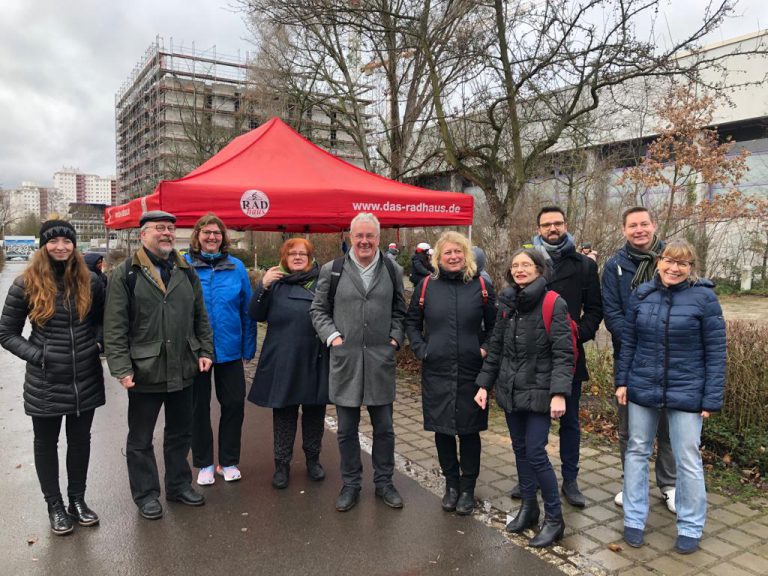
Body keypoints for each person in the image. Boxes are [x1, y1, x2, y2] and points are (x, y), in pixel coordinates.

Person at [617, 240, 726, 555]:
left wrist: (711, 398)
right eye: (669, 261)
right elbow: (630, 342)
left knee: (688, 459)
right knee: (636, 452)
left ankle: (691, 526)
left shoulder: (705, 298)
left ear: (691, 267)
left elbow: (716, 353)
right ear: (659, 261)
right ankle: (634, 519)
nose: (674, 268)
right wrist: (622, 380)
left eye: (683, 263)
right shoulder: (642, 294)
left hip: (687, 391)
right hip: (642, 387)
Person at [104, 210, 214, 521]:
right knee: (141, 438)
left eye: (170, 228)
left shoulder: (185, 270)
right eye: (159, 228)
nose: (166, 233)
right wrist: (121, 367)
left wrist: (205, 349)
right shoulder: (125, 273)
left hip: (183, 366)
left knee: (181, 432)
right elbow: (114, 326)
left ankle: (178, 485)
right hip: (145, 370)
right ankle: (146, 494)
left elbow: (200, 317)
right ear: (143, 235)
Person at [0, 220, 105, 535]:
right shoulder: (26, 283)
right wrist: (38, 356)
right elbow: (7, 332)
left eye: (66, 240)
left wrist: (97, 344)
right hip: (45, 380)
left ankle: (77, 501)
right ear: (44, 245)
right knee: (46, 443)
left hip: (85, 376)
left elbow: (102, 322)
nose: (61, 246)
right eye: (54, 240)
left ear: (74, 245)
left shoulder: (92, 282)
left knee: (80, 441)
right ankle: (55, 506)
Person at [474, 248, 573, 547]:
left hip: (541, 391)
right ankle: (529, 508)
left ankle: (554, 519)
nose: (519, 269)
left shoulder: (553, 303)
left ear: (540, 270)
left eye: (526, 265)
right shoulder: (507, 303)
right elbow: (497, 348)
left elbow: (563, 352)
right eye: (515, 265)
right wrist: (483, 385)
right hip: (511, 389)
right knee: (520, 450)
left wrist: (559, 394)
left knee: (535, 453)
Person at [311, 212, 407, 512]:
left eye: (370, 236)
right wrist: (333, 338)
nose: (365, 241)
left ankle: (384, 483)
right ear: (351, 237)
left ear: (378, 238)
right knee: (346, 430)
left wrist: (394, 339)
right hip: (346, 360)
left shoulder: (392, 269)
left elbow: (400, 311)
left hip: (380, 360)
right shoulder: (333, 270)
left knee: (385, 428)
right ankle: (351, 484)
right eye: (359, 236)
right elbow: (318, 310)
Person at [511, 206, 601, 508]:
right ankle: (530, 476)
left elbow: (595, 309)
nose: (553, 228)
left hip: (568, 356)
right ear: (538, 228)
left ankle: (571, 479)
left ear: (566, 225)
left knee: (570, 422)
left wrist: (579, 333)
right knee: (530, 423)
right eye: (546, 224)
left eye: (558, 223)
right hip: (531, 359)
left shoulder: (584, 265)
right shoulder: (528, 262)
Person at [405, 232, 496, 516]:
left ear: (466, 255)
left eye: (459, 252)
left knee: (469, 431)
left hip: (472, 370)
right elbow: (411, 322)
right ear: (438, 258)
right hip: (437, 369)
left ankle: (467, 489)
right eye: (448, 253)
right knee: (443, 429)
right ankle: (452, 486)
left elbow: (496, 327)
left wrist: (483, 349)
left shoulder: (481, 285)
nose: (454, 257)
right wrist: (421, 349)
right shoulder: (425, 286)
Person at [602, 207, 676, 511]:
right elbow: (612, 313)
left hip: (671, 358)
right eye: (632, 225)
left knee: (668, 426)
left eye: (644, 224)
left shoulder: (672, 260)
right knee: (629, 428)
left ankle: (670, 485)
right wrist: (638, 343)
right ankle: (632, 483)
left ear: (653, 225)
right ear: (624, 230)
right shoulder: (614, 266)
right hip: (630, 358)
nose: (639, 230)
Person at [249, 238, 329, 489]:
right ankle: (282, 464)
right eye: (292, 253)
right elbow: (255, 314)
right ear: (284, 257)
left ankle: (313, 460)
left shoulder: (323, 281)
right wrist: (262, 286)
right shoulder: (274, 282)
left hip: (315, 355)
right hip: (283, 356)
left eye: (302, 253)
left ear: (310, 257)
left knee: (314, 411)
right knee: (284, 411)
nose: (297, 257)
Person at [185, 213, 255, 485]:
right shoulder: (184, 265)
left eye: (216, 233)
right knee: (198, 407)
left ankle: (228, 461)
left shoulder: (236, 266)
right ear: (197, 236)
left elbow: (247, 310)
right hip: (196, 351)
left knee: (234, 404)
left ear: (223, 237)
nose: (212, 237)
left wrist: (248, 347)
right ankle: (203, 463)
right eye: (206, 233)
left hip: (229, 350)